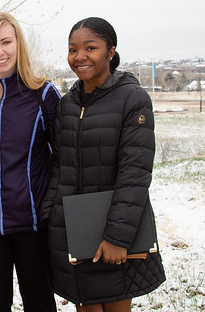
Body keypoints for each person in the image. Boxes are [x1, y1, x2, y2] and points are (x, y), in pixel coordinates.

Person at [40, 17, 166, 310]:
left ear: (110, 52)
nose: (79, 57)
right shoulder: (67, 104)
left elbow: (135, 174)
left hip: (114, 234)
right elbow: (60, 165)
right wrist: (51, 214)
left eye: (90, 48)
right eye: (72, 49)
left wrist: (117, 237)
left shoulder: (132, 99)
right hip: (76, 230)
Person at [0, 12, 59, 311]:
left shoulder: (43, 93)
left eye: (6, 42)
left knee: (39, 301)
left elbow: (65, 156)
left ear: (19, 43)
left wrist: (50, 206)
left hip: (32, 222)